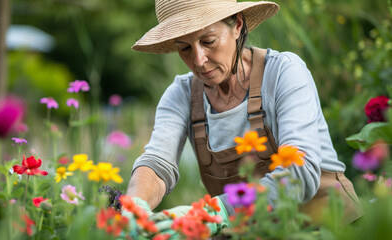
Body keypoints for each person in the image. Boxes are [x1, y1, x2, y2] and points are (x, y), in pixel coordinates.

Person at [125, 0, 363, 237]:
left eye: (208, 42)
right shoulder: (182, 94)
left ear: (237, 25)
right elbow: (157, 163)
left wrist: (215, 211)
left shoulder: (284, 73)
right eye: (184, 48)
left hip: (329, 228)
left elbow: (299, 171)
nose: (198, 60)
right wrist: (134, 206)